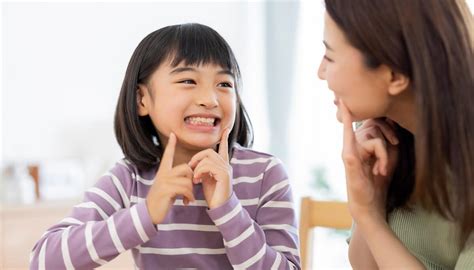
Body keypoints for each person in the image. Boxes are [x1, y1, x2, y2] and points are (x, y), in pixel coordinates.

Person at [29, 23, 300, 270]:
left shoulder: (265, 174)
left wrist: (228, 209)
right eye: (188, 81)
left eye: (224, 84)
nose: (209, 99)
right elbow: (44, 260)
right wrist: (146, 213)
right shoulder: (130, 178)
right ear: (142, 100)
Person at [318, 0, 473, 269]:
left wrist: (369, 217)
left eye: (330, 56)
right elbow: (365, 266)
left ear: (394, 75)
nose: (321, 73)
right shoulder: (382, 133)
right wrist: (369, 208)